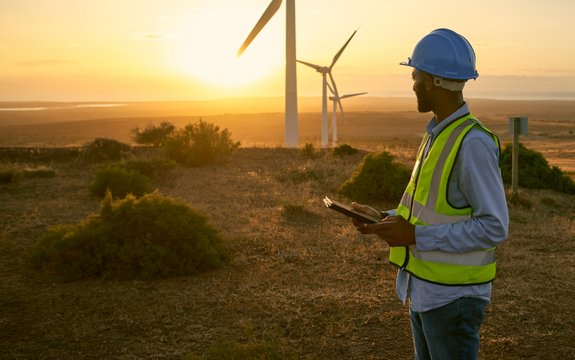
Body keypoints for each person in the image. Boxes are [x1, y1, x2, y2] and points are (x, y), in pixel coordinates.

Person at [351, 28, 509, 359]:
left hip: (454, 300)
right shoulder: (438, 134)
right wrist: (384, 218)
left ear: (433, 81)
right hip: (425, 290)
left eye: (415, 74)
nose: (412, 84)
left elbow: (494, 226)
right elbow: (428, 210)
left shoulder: (473, 142)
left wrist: (415, 236)